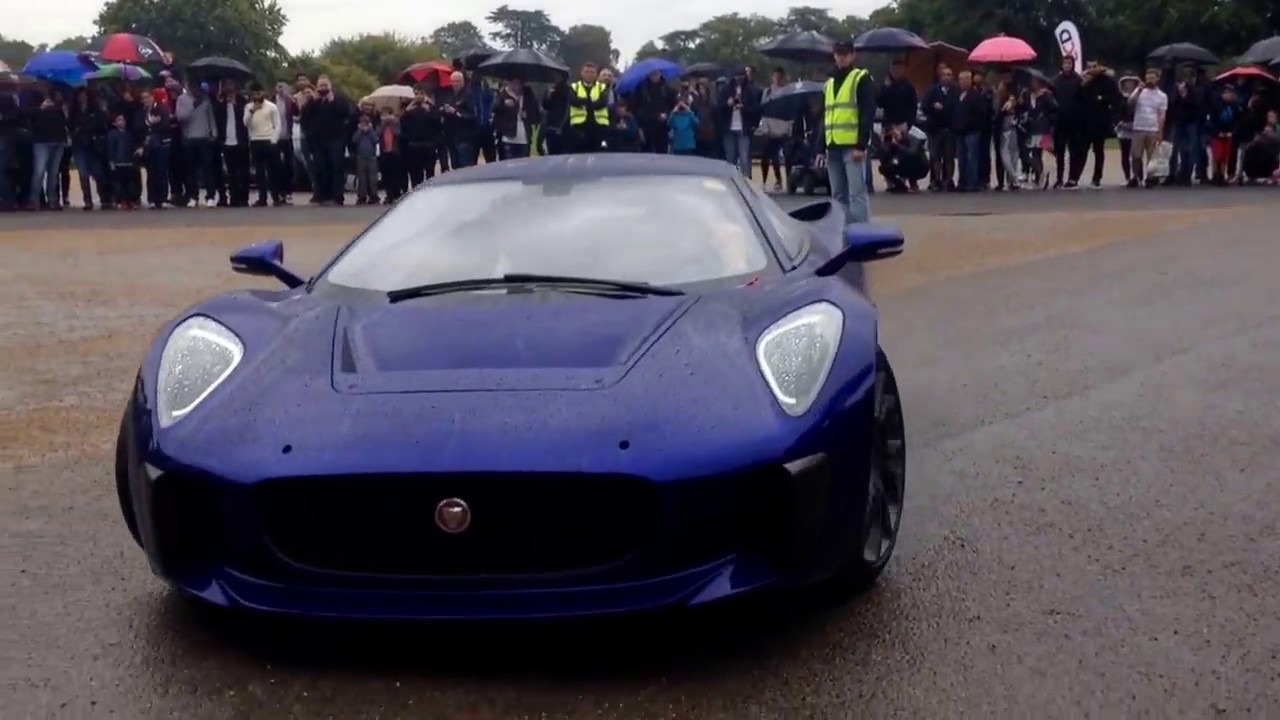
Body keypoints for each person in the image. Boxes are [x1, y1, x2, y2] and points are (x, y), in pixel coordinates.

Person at [823, 39, 875, 223]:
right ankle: (842, 232)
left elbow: (867, 113)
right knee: (837, 195)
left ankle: (861, 232)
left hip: (852, 145)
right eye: (838, 54)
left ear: (852, 55)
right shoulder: (829, 82)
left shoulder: (860, 78)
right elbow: (826, 116)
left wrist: (861, 144)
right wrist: (821, 146)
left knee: (857, 193)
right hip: (833, 144)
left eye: (844, 54)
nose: (841, 58)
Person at [68, 88, 111, 210]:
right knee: (83, 173)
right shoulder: (74, 112)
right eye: (80, 96)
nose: (82, 98)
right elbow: (70, 125)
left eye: (85, 96)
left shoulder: (96, 110)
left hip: (93, 145)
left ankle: (104, 198)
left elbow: (100, 123)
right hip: (79, 145)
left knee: (98, 173)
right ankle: (87, 200)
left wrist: (84, 126)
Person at [175, 81, 216, 207]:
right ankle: (193, 196)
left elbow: (210, 117)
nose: (194, 88)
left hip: (204, 137)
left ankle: (210, 196)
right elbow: (180, 117)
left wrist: (214, 132)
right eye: (192, 85)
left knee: (207, 169)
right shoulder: (182, 99)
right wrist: (193, 105)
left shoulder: (205, 99)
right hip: (189, 138)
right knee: (190, 170)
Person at [1127, 68, 1168, 188]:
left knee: (1151, 155)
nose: (1150, 80)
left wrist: (1160, 131)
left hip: (1152, 127)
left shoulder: (1162, 96)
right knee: (1135, 154)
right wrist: (1138, 90)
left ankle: (1150, 178)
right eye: (1148, 77)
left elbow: (1162, 114)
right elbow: (1130, 103)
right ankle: (1136, 177)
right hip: (1139, 126)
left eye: (1152, 78)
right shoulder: (1140, 91)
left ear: (1157, 79)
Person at [243, 82, 281, 206]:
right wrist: (252, 111)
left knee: (273, 171)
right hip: (255, 140)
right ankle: (262, 198)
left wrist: (274, 140)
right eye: (254, 93)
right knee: (259, 172)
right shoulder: (248, 107)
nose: (257, 95)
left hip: (269, 140)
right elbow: (245, 123)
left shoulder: (272, 107)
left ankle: (276, 197)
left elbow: (278, 125)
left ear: (263, 93)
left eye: (259, 93)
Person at [213, 80, 249, 206]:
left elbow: (246, 118)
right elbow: (217, 118)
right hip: (227, 141)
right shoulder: (220, 102)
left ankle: (244, 197)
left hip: (241, 140)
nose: (228, 88)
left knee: (243, 170)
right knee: (231, 171)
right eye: (225, 85)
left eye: (230, 84)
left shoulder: (242, 101)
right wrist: (223, 104)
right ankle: (233, 197)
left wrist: (234, 105)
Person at [28, 93, 67, 210]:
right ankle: (34, 201)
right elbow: (29, 116)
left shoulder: (58, 109)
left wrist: (64, 111)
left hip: (58, 141)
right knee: (39, 171)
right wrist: (40, 108)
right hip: (41, 141)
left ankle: (53, 200)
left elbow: (65, 122)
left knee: (53, 173)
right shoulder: (36, 105)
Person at [718, 68, 759, 177]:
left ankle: (747, 183)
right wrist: (728, 104)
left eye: (741, 76)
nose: (739, 79)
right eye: (737, 77)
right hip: (729, 128)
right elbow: (718, 107)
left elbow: (756, 109)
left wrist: (744, 107)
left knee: (744, 158)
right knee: (730, 159)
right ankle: (730, 182)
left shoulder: (750, 91)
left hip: (744, 129)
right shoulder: (726, 90)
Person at [1052, 54, 1085, 188]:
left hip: (1074, 121)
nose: (1067, 65)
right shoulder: (1056, 81)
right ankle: (1059, 178)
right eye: (1065, 63)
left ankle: (1072, 178)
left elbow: (1082, 99)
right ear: (1062, 64)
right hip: (1060, 120)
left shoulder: (1078, 80)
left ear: (1073, 64)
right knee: (1059, 152)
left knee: (1074, 151)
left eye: (1069, 63)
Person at [922, 64, 957, 191]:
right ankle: (936, 180)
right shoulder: (932, 91)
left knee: (949, 156)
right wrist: (933, 106)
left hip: (949, 129)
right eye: (944, 75)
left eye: (949, 75)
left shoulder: (955, 91)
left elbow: (957, 108)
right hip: (935, 129)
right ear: (940, 77)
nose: (947, 77)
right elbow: (924, 106)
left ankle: (948, 180)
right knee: (935, 156)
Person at [758, 68, 793, 191]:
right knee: (766, 156)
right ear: (772, 77)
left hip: (782, 128)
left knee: (786, 156)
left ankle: (786, 181)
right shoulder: (767, 92)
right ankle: (764, 180)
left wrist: (789, 128)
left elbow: (790, 111)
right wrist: (764, 128)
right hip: (770, 129)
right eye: (775, 76)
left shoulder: (787, 92)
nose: (777, 79)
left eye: (779, 77)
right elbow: (763, 110)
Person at [400, 85, 443, 185]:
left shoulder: (431, 108)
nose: (419, 96)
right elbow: (401, 123)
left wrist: (429, 109)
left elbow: (438, 124)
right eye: (416, 94)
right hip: (414, 145)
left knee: (429, 173)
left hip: (428, 145)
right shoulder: (409, 109)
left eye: (421, 94)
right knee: (415, 174)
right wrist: (409, 107)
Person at [566, 62, 610, 153]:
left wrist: (583, 102)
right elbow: (573, 101)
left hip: (599, 127)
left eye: (592, 72)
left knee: (599, 154)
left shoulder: (601, 87)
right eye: (586, 72)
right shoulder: (575, 87)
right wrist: (591, 103)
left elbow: (603, 102)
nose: (589, 74)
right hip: (579, 127)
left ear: (596, 74)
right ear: (581, 73)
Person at [493, 78, 539, 160]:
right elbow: (495, 109)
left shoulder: (528, 96)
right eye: (514, 84)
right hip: (508, 137)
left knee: (523, 164)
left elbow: (536, 115)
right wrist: (503, 104)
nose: (516, 87)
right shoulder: (503, 95)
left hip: (523, 137)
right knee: (508, 163)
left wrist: (527, 115)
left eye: (519, 84)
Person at [140, 88, 171, 209]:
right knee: (151, 172)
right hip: (148, 145)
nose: (145, 100)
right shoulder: (142, 112)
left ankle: (162, 198)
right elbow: (140, 126)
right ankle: (152, 198)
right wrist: (153, 124)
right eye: (143, 99)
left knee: (161, 171)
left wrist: (153, 125)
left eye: (147, 97)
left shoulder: (161, 108)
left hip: (162, 143)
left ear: (152, 97)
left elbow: (164, 124)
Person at [634, 68, 676, 154]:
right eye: (652, 74)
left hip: (662, 127)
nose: (654, 76)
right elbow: (635, 107)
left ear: (660, 74)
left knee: (662, 152)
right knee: (645, 152)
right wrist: (639, 126)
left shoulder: (668, 89)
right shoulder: (641, 89)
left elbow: (673, 106)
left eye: (656, 74)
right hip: (646, 126)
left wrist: (666, 115)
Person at [106, 113, 140, 209]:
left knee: (130, 183)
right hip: (117, 163)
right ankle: (121, 200)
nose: (122, 122)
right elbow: (110, 149)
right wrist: (111, 161)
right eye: (119, 120)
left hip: (128, 162)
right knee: (118, 184)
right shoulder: (112, 135)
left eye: (123, 120)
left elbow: (132, 147)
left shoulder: (129, 134)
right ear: (114, 123)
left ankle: (131, 200)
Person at [351, 113, 379, 204]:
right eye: (362, 124)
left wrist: (370, 130)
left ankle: (374, 196)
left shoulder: (372, 132)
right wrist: (360, 131)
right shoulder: (358, 133)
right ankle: (362, 196)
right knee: (362, 178)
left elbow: (376, 140)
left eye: (366, 124)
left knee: (373, 178)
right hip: (361, 157)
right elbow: (354, 140)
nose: (364, 126)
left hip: (371, 157)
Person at [378, 106, 403, 202]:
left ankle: (396, 193)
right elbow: (377, 133)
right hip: (384, 151)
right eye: (384, 114)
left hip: (394, 151)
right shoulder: (381, 124)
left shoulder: (396, 123)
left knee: (395, 173)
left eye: (388, 114)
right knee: (386, 174)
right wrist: (384, 124)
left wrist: (392, 124)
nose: (386, 117)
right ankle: (389, 194)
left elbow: (398, 133)